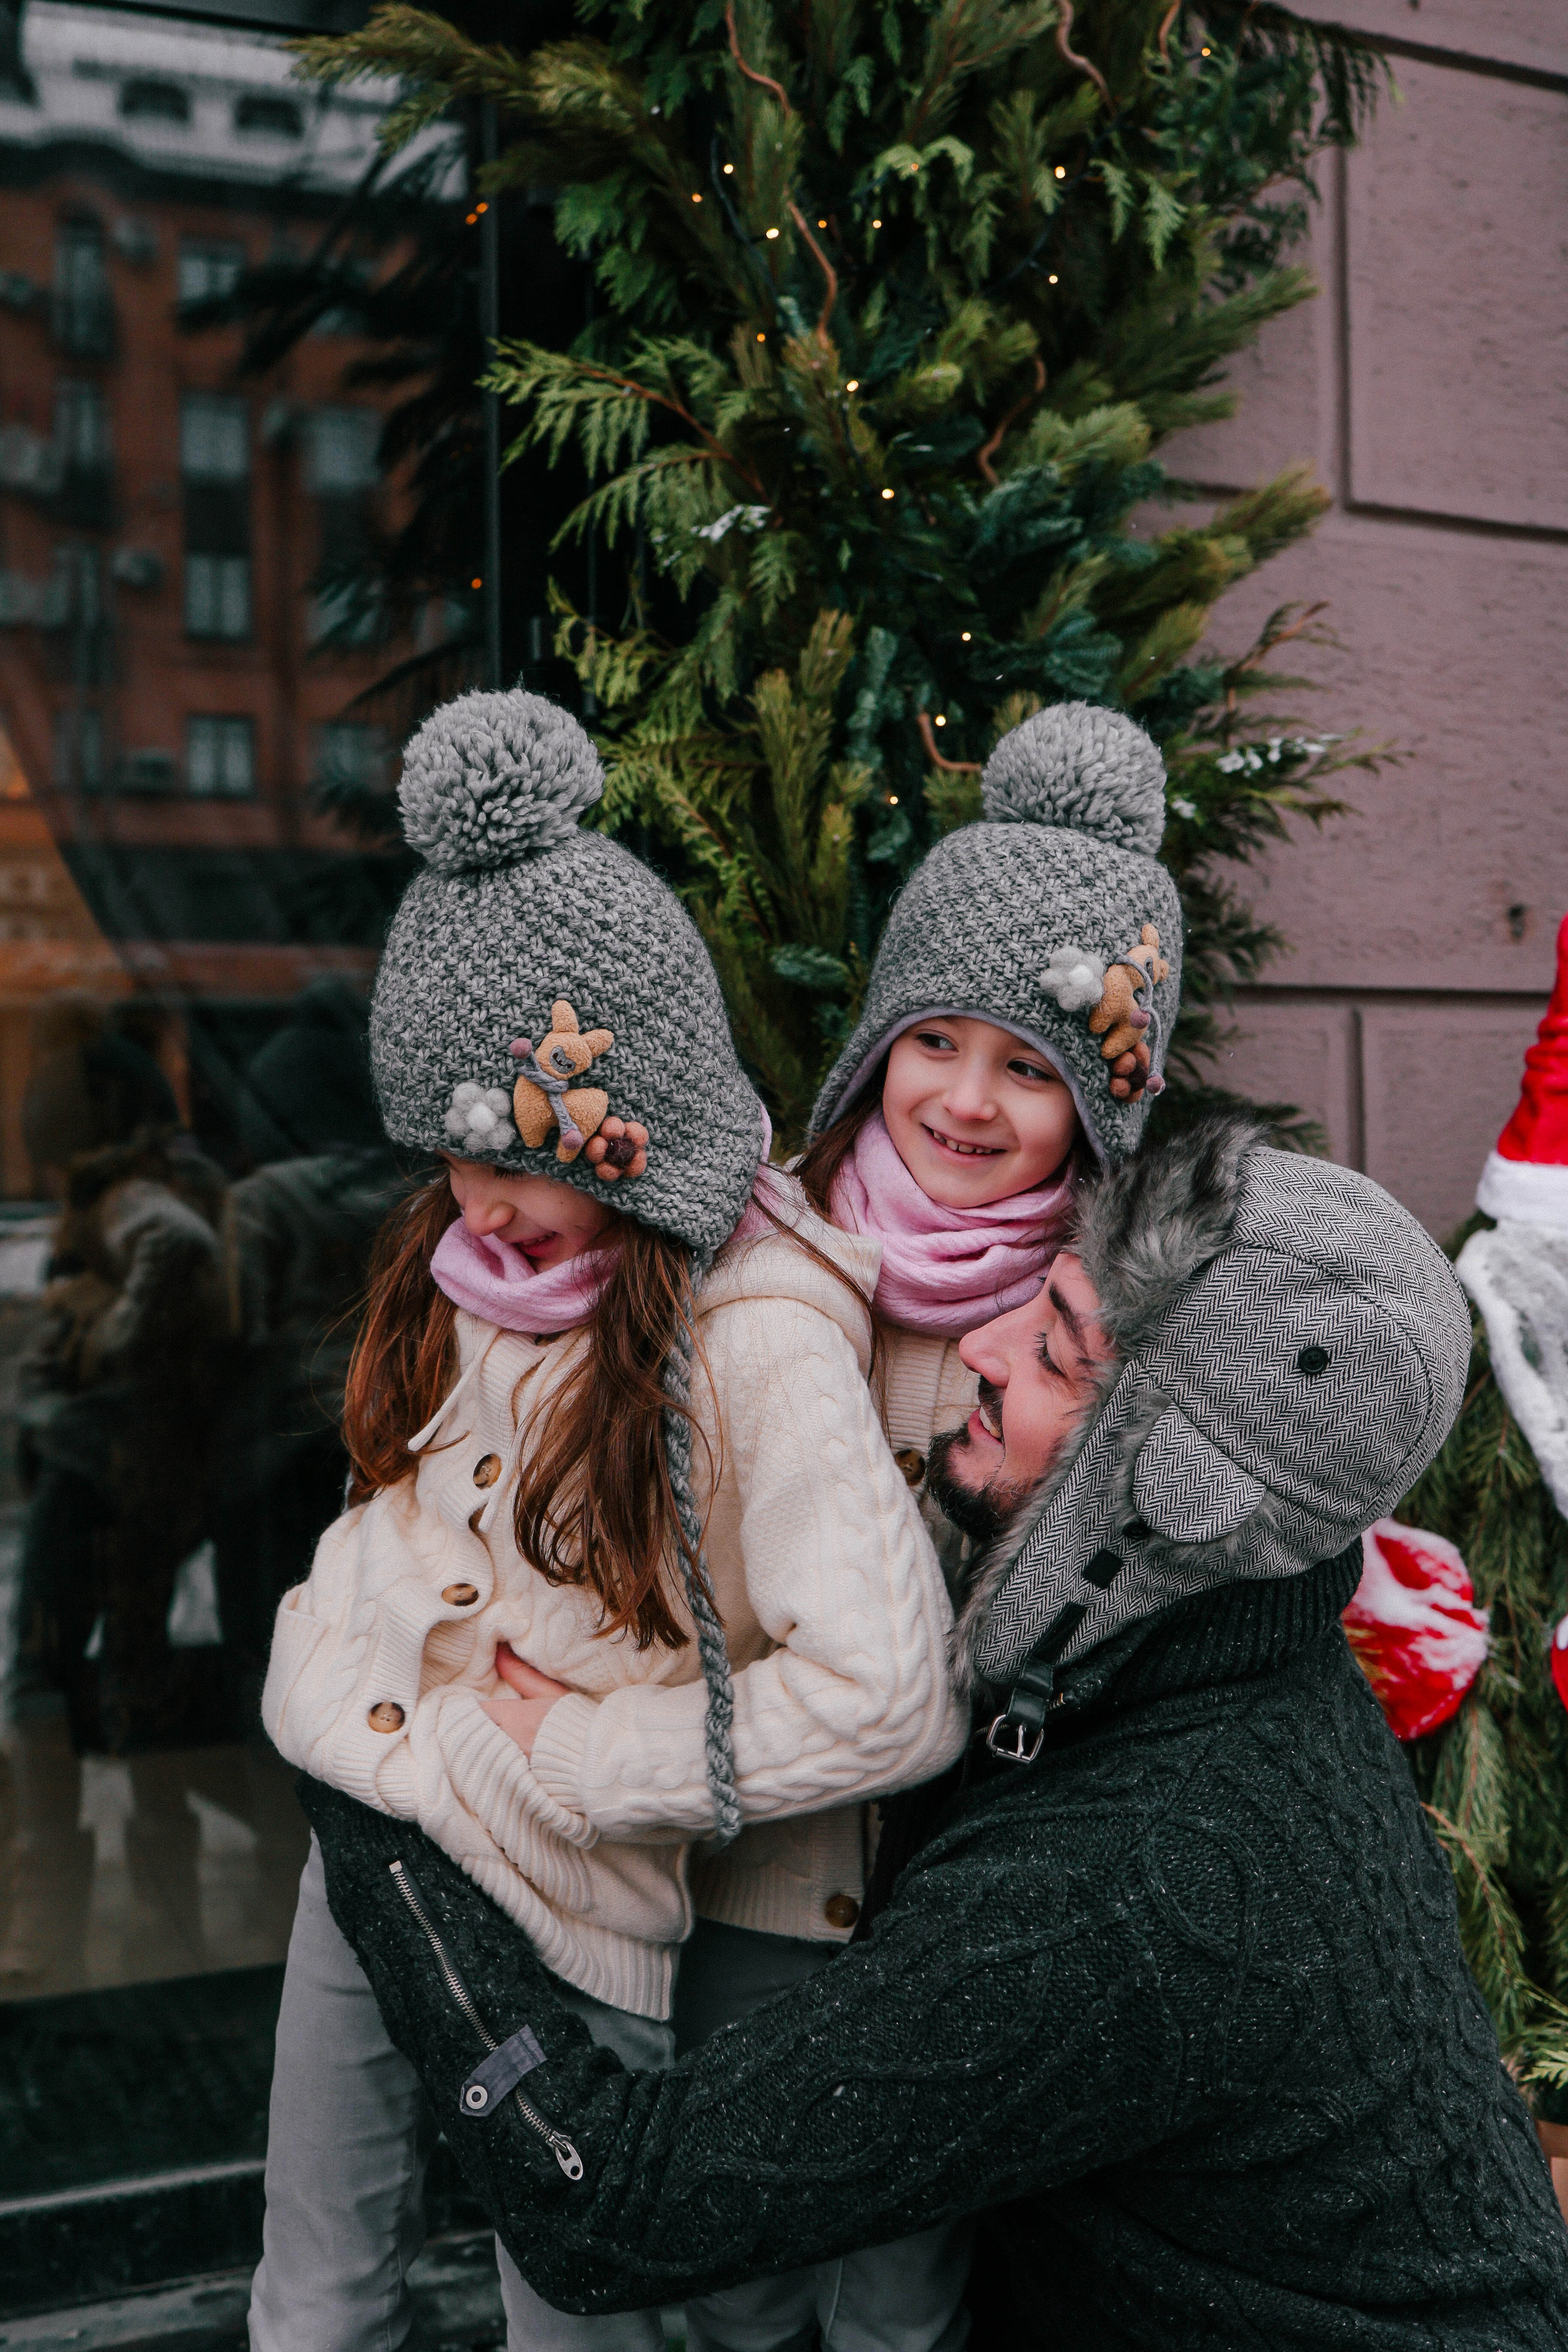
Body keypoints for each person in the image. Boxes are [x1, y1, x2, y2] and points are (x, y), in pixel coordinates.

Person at [304, 1115, 1568, 2348]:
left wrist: (382, 1803)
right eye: (1040, 1293)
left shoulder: (1141, 1875)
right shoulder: (1208, 1656)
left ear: (1177, 1496)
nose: (980, 1340)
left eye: (1059, 1354)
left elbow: (610, 2205)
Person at [250, 692, 964, 2352]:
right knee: (317, 2289)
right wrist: (330, 1660)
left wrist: (593, 1762)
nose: (472, 1199)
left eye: (507, 1152)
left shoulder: (760, 1339)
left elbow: (891, 1692)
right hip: (367, 1821)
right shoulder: (482, 1269)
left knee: (580, 2311)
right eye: (444, 1149)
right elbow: (405, 1501)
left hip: (570, 1901)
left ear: (631, 1115)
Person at [633, 698, 1182, 2346]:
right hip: (757, 1877)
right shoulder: (772, 1269)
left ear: (1100, 1105)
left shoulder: (1098, 1332)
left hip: (958, 1917)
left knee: (904, 2296)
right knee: (733, 2274)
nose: (966, 1097)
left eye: (1032, 1067)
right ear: (879, 1045)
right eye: (938, 1039)